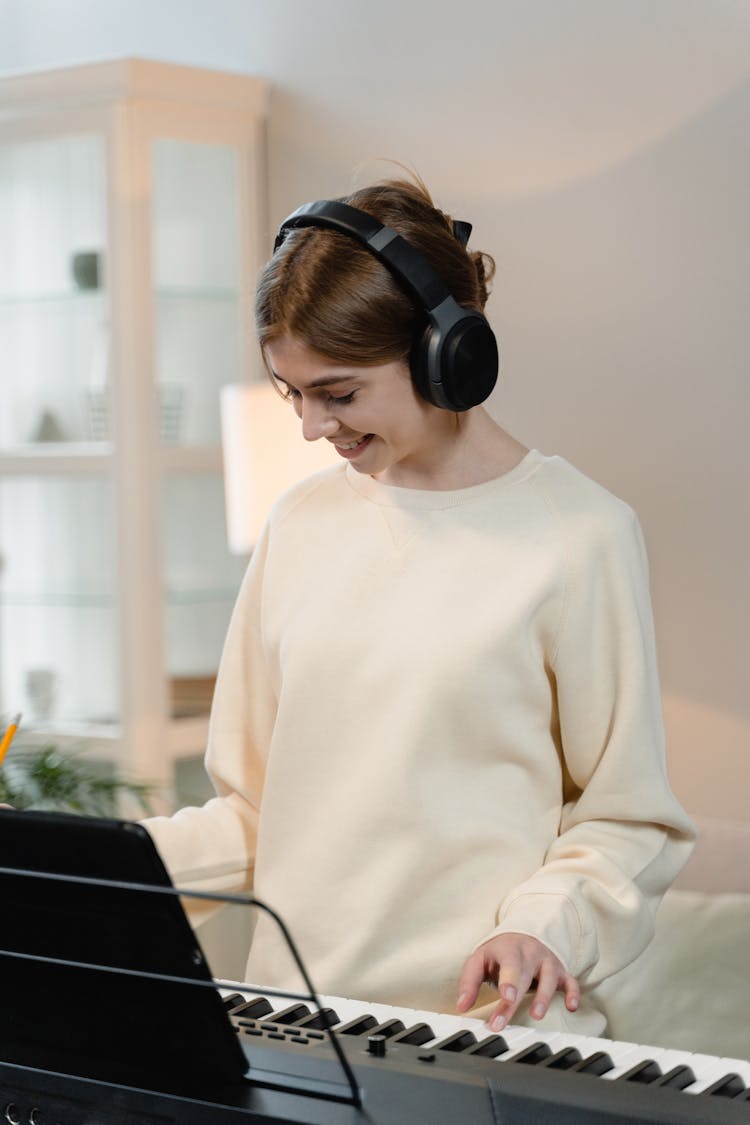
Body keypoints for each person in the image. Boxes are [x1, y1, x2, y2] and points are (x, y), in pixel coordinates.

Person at [144, 174, 695, 1036]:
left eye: (339, 392)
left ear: (448, 354)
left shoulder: (578, 534)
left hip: (484, 1034)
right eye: (294, 393)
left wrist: (540, 924)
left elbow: (628, 815)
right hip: (294, 1029)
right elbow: (256, 811)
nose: (311, 428)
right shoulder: (301, 523)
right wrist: (82, 868)